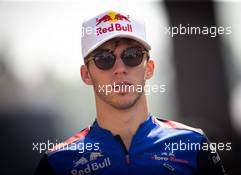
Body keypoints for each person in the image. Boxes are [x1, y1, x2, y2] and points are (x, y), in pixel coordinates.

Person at [34, 11, 227, 175]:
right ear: (86, 75)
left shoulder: (193, 145)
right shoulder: (58, 162)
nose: (120, 68)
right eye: (104, 58)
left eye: (132, 55)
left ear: (149, 68)